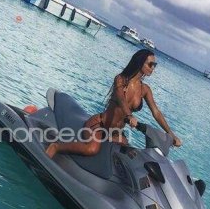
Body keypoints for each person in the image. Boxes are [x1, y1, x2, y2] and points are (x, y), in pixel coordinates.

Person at [46, 49, 182, 159]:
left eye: (154, 65)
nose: (153, 68)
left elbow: (156, 112)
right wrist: (129, 116)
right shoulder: (120, 79)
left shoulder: (145, 89)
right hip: (100, 125)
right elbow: (121, 99)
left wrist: (171, 134)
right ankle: (56, 146)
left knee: (133, 156)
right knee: (91, 149)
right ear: (140, 63)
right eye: (150, 64)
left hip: (116, 133)